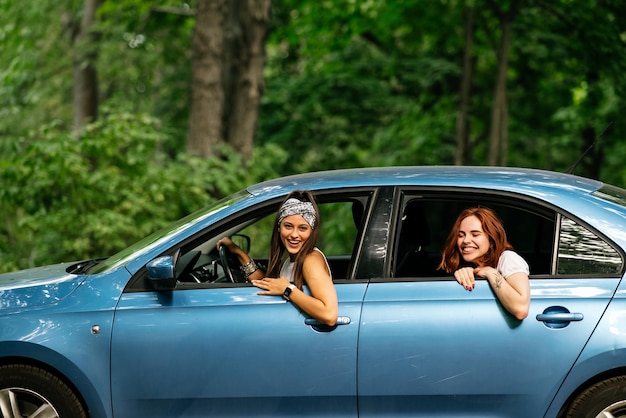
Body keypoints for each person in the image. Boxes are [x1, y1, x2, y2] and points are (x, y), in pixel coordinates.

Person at [217, 190, 338, 326]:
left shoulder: (310, 260)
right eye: (288, 226)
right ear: (279, 227)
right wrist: (238, 252)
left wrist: (288, 289)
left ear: (311, 231)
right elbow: (267, 284)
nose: (294, 234)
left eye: (302, 228)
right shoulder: (291, 258)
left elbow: (329, 315)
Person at [438, 207, 530, 320]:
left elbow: (521, 309)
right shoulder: (471, 265)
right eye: (461, 235)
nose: (466, 240)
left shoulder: (508, 258)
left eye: (475, 234)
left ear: (491, 240)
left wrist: (490, 273)